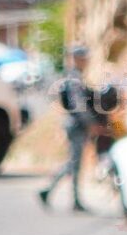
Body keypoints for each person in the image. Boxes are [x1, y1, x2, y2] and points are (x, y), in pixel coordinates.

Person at [38, 43, 96, 213]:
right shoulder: (74, 79)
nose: (86, 61)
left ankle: (58, 194)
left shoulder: (74, 77)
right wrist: (90, 123)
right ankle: (57, 193)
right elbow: (79, 106)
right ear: (77, 59)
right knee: (74, 163)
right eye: (83, 58)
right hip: (76, 125)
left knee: (74, 162)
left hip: (76, 124)